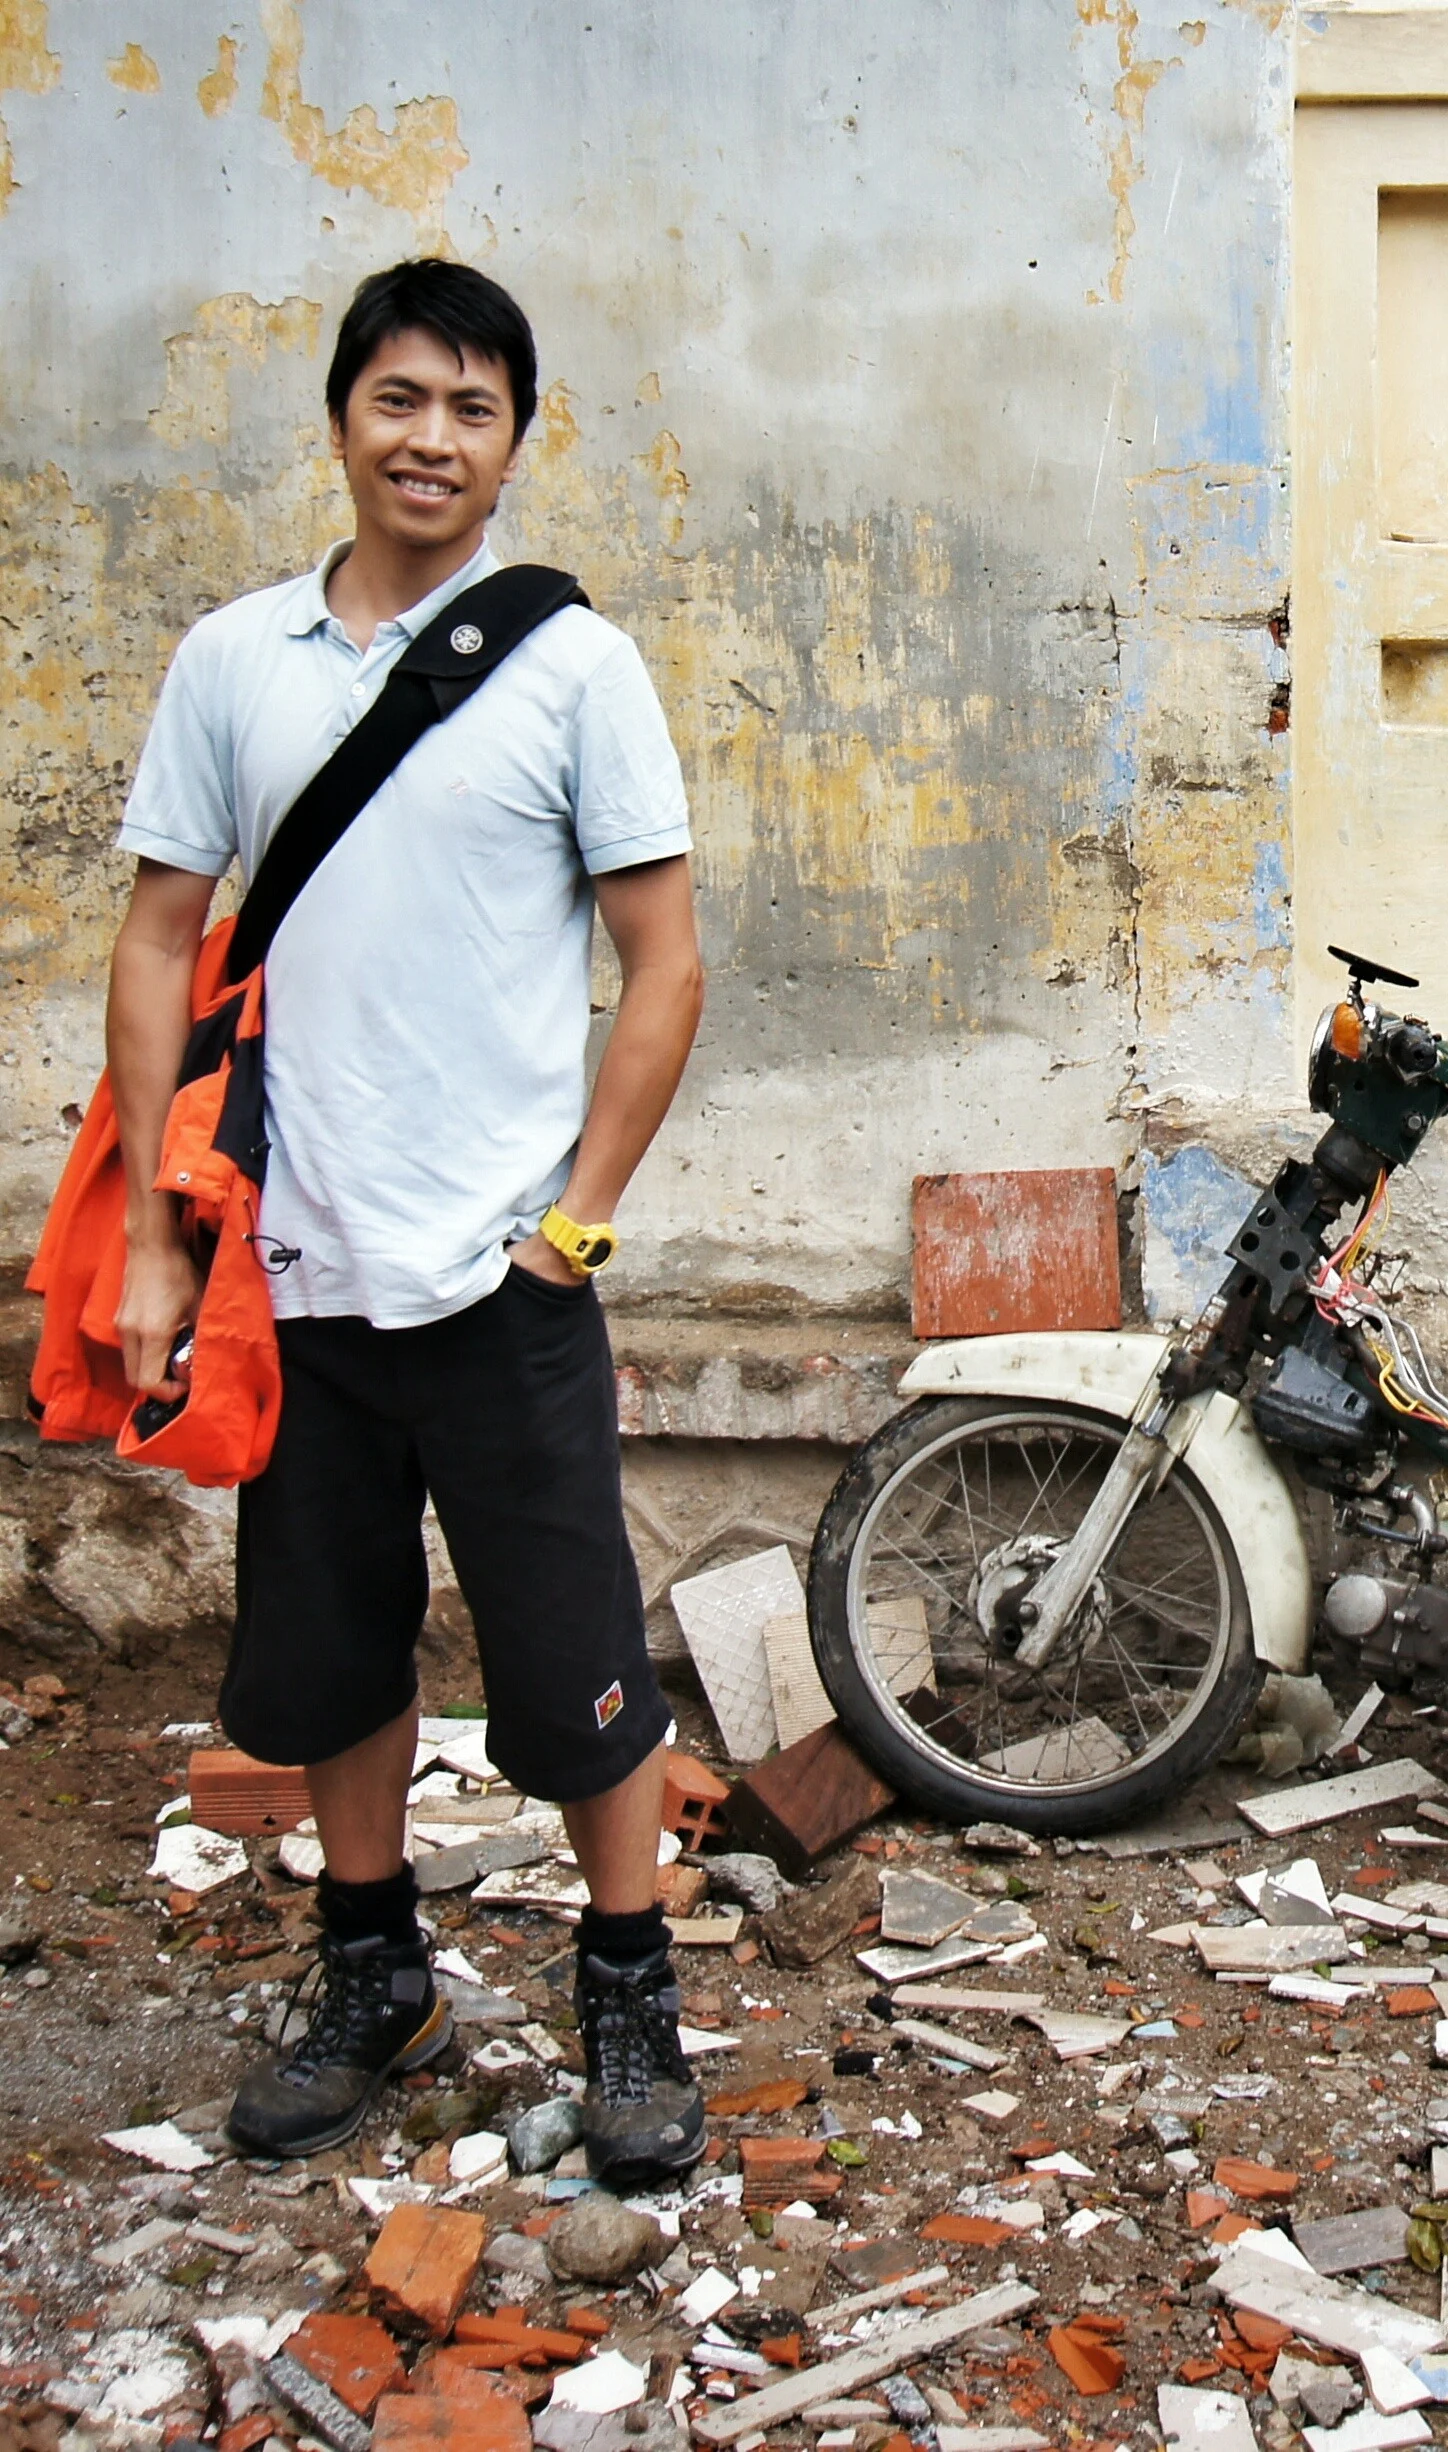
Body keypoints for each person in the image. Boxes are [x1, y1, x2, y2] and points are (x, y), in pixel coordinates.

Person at [105, 258, 709, 2182]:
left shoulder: (573, 669)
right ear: (342, 416)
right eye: (398, 398)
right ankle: (376, 1973)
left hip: (501, 1277)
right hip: (285, 1271)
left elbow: (666, 963)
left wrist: (578, 1227)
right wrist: (151, 1233)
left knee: (572, 1663)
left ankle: (629, 1998)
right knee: (328, 1658)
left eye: (471, 407)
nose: (429, 438)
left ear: (516, 439)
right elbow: (152, 942)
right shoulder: (234, 663)